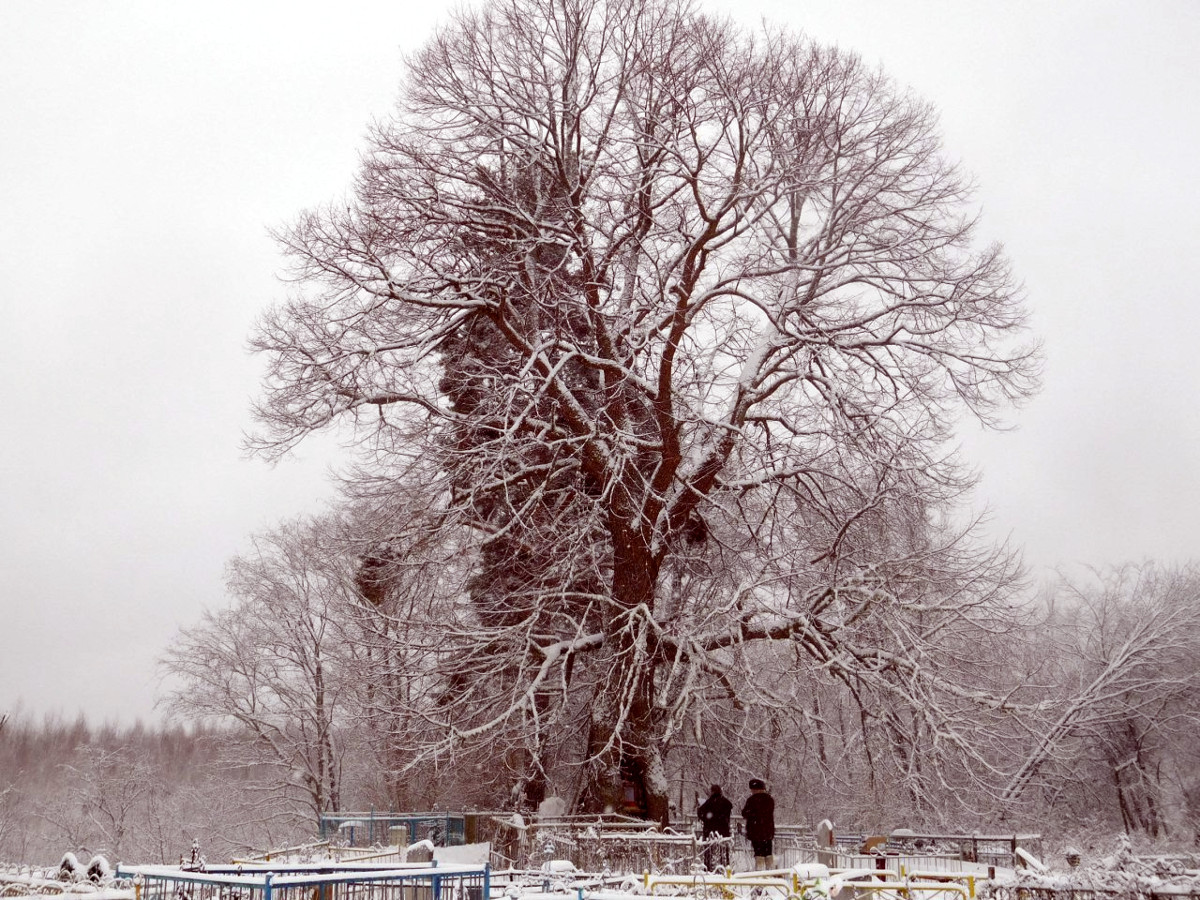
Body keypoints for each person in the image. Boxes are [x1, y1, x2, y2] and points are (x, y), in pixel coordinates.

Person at [742, 778, 775, 870]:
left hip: (755, 831)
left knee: (758, 853)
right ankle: (770, 871)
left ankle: (759, 873)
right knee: (768, 852)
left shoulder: (751, 800)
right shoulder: (770, 799)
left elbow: (745, 813)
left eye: (752, 789)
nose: (751, 791)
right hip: (768, 831)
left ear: (755, 789)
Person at [697, 784, 733, 870]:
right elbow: (729, 808)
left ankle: (708, 867)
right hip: (723, 830)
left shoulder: (708, 802)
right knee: (724, 850)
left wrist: (706, 819)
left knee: (708, 850)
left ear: (712, 792)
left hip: (709, 830)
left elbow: (700, 812)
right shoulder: (726, 803)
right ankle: (725, 866)